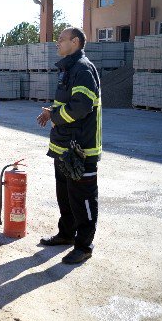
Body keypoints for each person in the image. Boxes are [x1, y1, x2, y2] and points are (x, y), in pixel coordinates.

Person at [36, 27, 102, 265]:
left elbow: (80, 107)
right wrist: (52, 112)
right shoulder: (69, 68)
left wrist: (55, 116)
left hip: (81, 149)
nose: (57, 43)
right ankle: (66, 234)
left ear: (75, 42)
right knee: (65, 195)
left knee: (82, 198)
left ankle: (84, 246)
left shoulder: (83, 69)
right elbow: (67, 105)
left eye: (61, 39)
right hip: (64, 146)